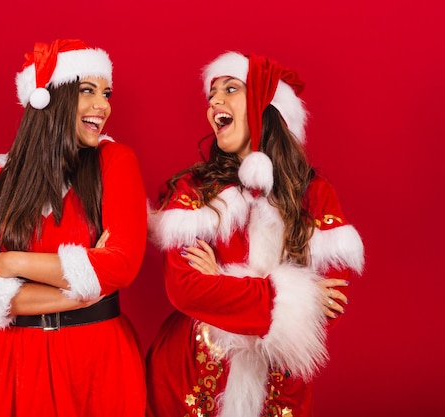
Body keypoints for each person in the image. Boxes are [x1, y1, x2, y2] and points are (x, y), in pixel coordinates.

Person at [146, 51, 365, 417]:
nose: (214, 101)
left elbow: (332, 304)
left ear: (267, 108)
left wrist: (220, 280)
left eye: (230, 89)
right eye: (212, 94)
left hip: (278, 386)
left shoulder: (316, 193)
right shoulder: (195, 188)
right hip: (189, 377)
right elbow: (184, 287)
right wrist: (296, 295)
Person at [0, 39, 147, 417]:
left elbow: (121, 264)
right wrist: (78, 294)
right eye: (87, 91)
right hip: (14, 362)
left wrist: (10, 263)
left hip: (96, 359)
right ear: (49, 99)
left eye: (106, 93)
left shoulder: (115, 161)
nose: (103, 106)